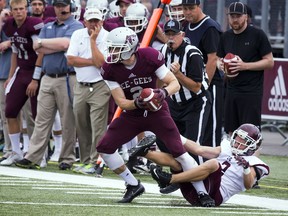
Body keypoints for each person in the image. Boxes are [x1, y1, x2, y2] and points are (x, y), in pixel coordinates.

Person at [95, 27, 214, 206]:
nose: (111, 52)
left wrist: (161, 94)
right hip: (132, 114)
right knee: (104, 148)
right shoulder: (109, 69)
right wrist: (137, 103)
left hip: (157, 111)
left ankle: (202, 193)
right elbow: (121, 102)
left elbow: (174, 84)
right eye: (111, 48)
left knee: (180, 153)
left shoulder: (149, 56)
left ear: (129, 47)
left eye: (115, 48)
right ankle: (132, 184)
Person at [15, 0, 83, 170]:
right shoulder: (48, 25)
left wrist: (45, 44)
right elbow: (37, 49)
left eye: (64, 5)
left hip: (67, 76)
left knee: (68, 120)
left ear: (71, 7)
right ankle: (33, 157)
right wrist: (53, 46)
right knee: (41, 119)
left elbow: (66, 45)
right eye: (59, 5)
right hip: (47, 77)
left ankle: (67, 158)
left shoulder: (76, 25)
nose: (62, 8)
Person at [131, 123, 270, 206]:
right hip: (195, 190)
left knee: (214, 164)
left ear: (252, 145)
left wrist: (245, 168)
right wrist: (174, 135)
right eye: (238, 136)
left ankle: (169, 180)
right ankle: (143, 153)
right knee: (179, 160)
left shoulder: (254, 162)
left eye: (243, 139)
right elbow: (199, 150)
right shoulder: (227, 148)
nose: (238, 141)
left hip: (214, 196)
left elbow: (249, 184)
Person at [217, 2, 274, 135]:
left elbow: (270, 62)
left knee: (251, 134)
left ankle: (251, 156)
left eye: (238, 16)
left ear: (246, 17)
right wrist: (221, 65)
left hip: (251, 92)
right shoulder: (225, 36)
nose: (235, 19)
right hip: (231, 90)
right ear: (228, 17)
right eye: (232, 16)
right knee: (231, 132)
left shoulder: (257, 34)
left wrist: (244, 66)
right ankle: (233, 156)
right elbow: (218, 59)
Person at [159, 19, 210, 164]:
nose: (170, 38)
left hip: (196, 102)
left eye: (173, 34)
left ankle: (199, 180)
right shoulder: (163, 51)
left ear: (182, 34)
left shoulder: (192, 54)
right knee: (165, 140)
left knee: (193, 144)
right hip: (175, 102)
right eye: (167, 34)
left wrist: (179, 74)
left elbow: (196, 87)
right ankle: (177, 175)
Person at [66, 7, 110, 174]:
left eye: (96, 21)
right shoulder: (77, 34)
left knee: (98, 125)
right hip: (81, 84)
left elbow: (101, 64)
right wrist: (92, 60)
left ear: (102, 21)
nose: (93, 24)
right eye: (90, 20)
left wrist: (93, 41)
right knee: (81, 124)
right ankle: (85, 160)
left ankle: (95, 162)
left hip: (100, 85)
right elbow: (70, 60)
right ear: (84, 21)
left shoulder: (106, 36)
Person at [0, 0, 44, 166]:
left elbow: (41, 51)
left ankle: (40, 155)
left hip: (36, 72)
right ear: (11, 11)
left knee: (36, 115)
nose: (19, 12)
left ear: (27, 9)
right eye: (16, 9)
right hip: (21, 72)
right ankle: (16, 153)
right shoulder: (10, 25)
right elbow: (15, 53)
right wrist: (11, 76)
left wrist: (35, 78)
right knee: (10, 111)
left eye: (22, 9)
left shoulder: (34, 24)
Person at [182, 0, 224, 149]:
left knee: (210, 128)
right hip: (193, 85)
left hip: (209, 85)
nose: (187, 12)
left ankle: (214, 167)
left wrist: (204, 86)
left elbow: (213, 58)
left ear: (199, 6)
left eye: (191, 8)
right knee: (194, 128)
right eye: (185, 8)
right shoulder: (186, 25)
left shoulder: (209, 27)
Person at [0, 1, 12, 162]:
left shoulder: (12, 18)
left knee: (10, 113)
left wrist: (10, 42)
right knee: (4, 115)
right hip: (3, 72)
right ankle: (9, 148)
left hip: (9, 72)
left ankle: (12, 149)